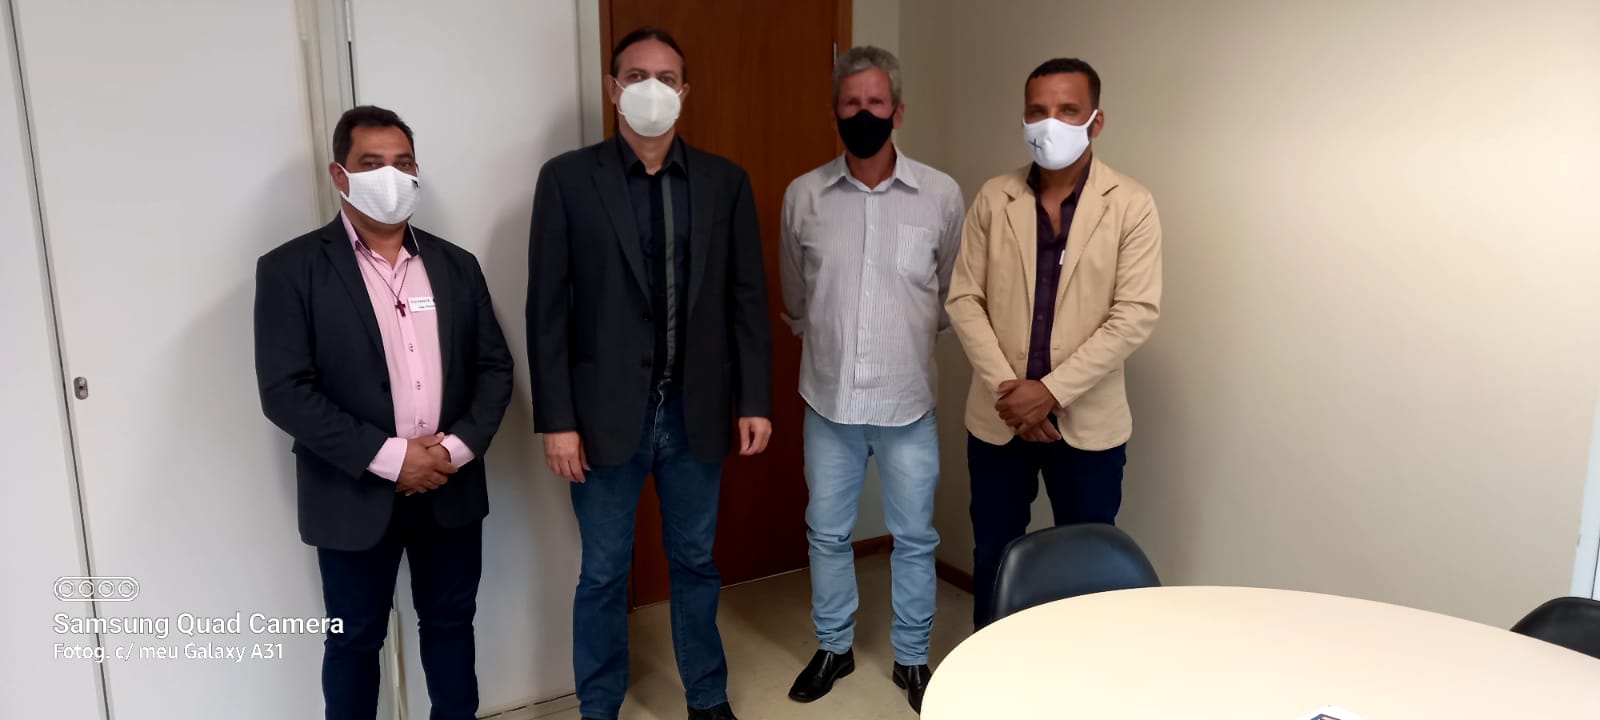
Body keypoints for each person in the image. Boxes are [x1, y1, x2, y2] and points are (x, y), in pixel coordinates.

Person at [525, 27, 773, 720]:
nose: (651, 89)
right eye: (637, 76)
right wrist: (557, 421)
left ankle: (707, 696)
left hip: (696, 411)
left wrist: (754, 399)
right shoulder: (567, 180)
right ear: (613, 89)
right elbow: (547, 310)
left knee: (696, 563)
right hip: (603, 416)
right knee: (604, 571)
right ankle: (599, 704)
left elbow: (746, 300)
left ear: (685, 91)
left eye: (666, 77)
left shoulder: (725, 183)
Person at [254, 105, 514, 720]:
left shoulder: (456, 265)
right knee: (354, 641)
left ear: (417, 173)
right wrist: (393, 459)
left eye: (402, 163)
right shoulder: (291, 269)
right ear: (339, 175)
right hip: (351, 492)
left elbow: (495, 369)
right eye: (372, 164)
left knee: (451, 625)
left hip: (449, 485)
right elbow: (285, 391)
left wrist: (450, 452)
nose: (390, 177)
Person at [946, 58, 1162, 629]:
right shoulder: (994, 198)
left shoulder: (1131, 204)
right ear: (1023, 118)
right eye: (1037, 111)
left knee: (1087, 570)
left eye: (1068, 110)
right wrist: (1011, 392)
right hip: (999, 419)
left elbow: (1134, 314)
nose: (1050, 123)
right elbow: (964, 299)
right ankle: (992, 673)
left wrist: (1049, 392)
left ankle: (1078, 676)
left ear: (1095, 121)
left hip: (1087, 424)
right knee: (994, 558)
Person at [778, 46, 962, 714]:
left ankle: (912, 657)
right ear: (835, 113)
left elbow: (949, 295)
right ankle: (835, 646)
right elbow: (796, 296)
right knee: (826, 534)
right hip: (829, 402)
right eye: (851, 103)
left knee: (915, 539)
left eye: (875, 102)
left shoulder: (940, 195)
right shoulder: (803, 196)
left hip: (908, 403)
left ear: (897, 112)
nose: (864, 113)